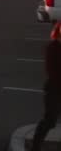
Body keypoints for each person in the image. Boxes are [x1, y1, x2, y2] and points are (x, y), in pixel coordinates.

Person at [30, 22, 61, 150]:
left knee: (50, 120)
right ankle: (35, 146)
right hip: (54, 90)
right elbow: (52, 71)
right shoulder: (53, 48)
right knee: (50, 120)